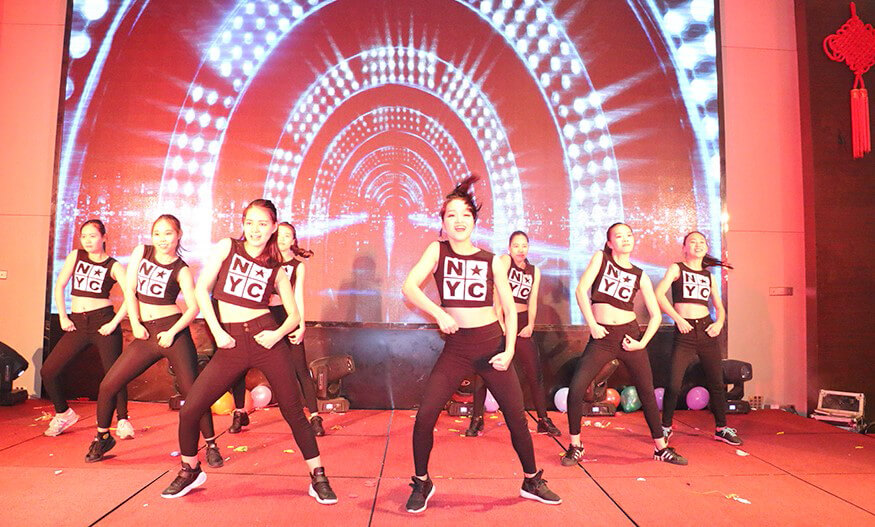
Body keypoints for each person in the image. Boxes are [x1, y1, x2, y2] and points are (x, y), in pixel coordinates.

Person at [401, 176, 561, 513]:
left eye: (465, 214)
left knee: (516, 417)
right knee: (425, 415)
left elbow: (509, 309)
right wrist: (438, 313)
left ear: (474, 221)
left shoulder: (493, 260)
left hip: (492, 345)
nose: (458, 220)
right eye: (451, 215)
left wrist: (509, 350)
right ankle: (422, 481)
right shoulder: (437, 250)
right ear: (443, 222)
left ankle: (531, 480)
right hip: (456, 348)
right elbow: (409, 287)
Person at [160, 199, 336, 504]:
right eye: (250, 222)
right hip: (230, 342)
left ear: (273, 227)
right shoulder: (227, 247)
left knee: (294, 412)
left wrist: (277, 334)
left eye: (263, 224)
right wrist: (216, 331)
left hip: (265, 339)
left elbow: (293, 315)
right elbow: (201, 289)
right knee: (190, 409)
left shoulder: (276, 268)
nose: (256, 229)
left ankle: (318, 475)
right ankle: (190, 470)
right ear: (243, 224)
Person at [84, 215, 223, 466]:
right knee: (108, 385)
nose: (162, 239)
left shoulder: (181, 269)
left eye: (168, 233)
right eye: (157, 233)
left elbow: (193, 308)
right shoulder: (142, 252)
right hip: (146, 333)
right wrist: (136, 322)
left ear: (178, 235)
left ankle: (212, 444)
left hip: (173, 332)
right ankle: (102, 437)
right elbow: (129, 290)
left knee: (193, 393)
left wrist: (172, 333)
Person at [562, 223, 688, 466]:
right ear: (610, 243)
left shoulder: (640, 275)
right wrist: (592, 325)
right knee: (577, 388)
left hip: (630, 335)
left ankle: (661, 448)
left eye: (629, 235)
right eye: (619, 236)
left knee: (647, 393)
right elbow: (580, 291)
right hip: (602, 336)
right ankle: (575, 445)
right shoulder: (601, 258)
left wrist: (642, 343)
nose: (625, 239)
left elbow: (656, 316)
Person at [227, 222, 323, 436]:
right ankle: (240, 412)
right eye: (279, 235)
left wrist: (301, 325)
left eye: (287, 235)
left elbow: (298, 297)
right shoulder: (264, 260)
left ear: (294, 240)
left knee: (299, 368)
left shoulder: (297, 266)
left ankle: (315, 416)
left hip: (286, 317)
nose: (282, 239)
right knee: (239, 367)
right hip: (259, 316)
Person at [465, 231, 560, 437]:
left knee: (534, 372)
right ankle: (477, 419)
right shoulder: (505, 261)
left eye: (524, 245)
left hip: (522, 322)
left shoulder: (534, 271)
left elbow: (532, 301)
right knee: (484, 372)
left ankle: (543, 420)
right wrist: (500, 321)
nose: (520, 250)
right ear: (509, 248)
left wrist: (531, 324)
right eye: (516, 245)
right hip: (501, 321)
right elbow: (496, 293)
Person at [41, 219, 130, 438]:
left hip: (103, 321)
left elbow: (131, 296)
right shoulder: (76, 256)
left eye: (93, 236)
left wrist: (114, 323)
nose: (88, 240)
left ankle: (123, 419)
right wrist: (63, 316)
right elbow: (60, 286)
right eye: (84, 236)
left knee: (115, 374)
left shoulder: (113, 265)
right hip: (78, 324)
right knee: (49, 370)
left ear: (104, 237)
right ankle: (63, 413)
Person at [655, 231, 741, 446]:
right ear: (684, 248)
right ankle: (665, 427)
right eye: (692, 242)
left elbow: (719, 307)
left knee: (717, 383)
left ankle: (721, 428)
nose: (698, 244)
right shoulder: (677, 268)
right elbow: (659, 295)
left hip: (705, 330)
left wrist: (719, 323)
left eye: (702, 241)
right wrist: (677, 319)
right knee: (674, 383)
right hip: (684, 331)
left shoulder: (708, 276)